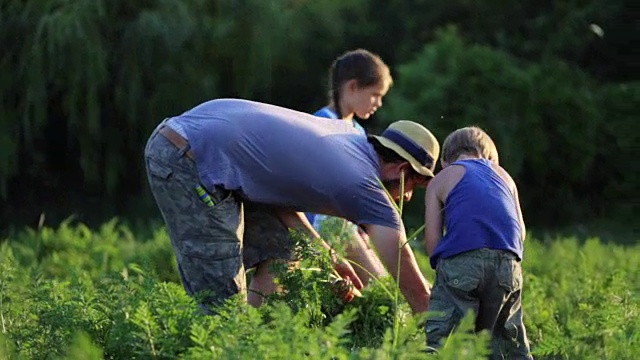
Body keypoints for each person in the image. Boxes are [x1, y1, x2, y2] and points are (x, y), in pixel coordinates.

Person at [144, 98, 440, 314]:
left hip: (205, 147)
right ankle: (233, 340)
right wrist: (428, 318)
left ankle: (256, 337)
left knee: (287, 249)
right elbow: (406, 275)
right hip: (189, 158)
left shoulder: (347, 138)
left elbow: (281, 202)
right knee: (221, 303)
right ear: (401, 170)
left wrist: (331, 257)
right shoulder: (364, 184)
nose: (408, 197)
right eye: (413, 186)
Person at [423, 126, 532, 359]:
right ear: (492, 159)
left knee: (444, 341)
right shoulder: (505, 177)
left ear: (444, 161)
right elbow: (520, 232)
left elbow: (432, 240)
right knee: (504, 342)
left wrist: (444, 272)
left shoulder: (443, 177)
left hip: (461, 263)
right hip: (507, 266)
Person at [306, 48, 393, 285]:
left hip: (348, 224)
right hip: (324, 223)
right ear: (352, 87)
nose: (379, 103)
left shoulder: (358, 130)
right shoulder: (321, 123)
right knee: (378, 284)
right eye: (375, 94)